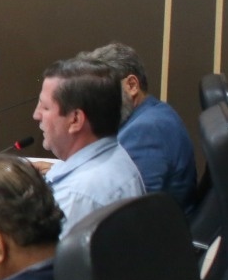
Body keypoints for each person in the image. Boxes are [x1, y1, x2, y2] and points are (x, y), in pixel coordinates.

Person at [32, 56, 144, 234]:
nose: (36, 115)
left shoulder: (76, 197)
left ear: (75, 120)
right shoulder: (117, 156)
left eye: (45, 107)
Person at [82, 42, 198, 211]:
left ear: (131, 85)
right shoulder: (152, 114)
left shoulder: (146, 131)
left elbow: (126, 207)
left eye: (101, 92)